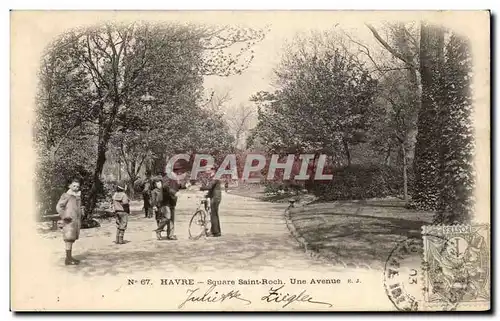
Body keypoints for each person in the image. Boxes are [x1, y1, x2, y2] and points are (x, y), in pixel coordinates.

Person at [56, 178, 83, 265]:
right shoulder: (66, 196)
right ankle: (68, 259)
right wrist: (64, 216)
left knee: (71, 239)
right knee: (68, 239)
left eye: (78, 186)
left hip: (74, 221)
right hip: (68, 220)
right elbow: (59, 207)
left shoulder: (77, 196)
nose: (76, 188)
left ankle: (69, 257)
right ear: (69, 186)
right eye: (74, 186)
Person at [200, 167, 222, 237]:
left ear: (213, 171)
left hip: (215, 198)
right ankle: (216, 231)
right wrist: (206, 196)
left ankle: (215, 232)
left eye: (208, 170)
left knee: (213, 215)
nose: (207, 171)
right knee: (214, 214)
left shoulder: (215, 177)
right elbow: (211, 189)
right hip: (214, 197)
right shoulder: (212, 177)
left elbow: (209, 187)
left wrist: (200, 188)